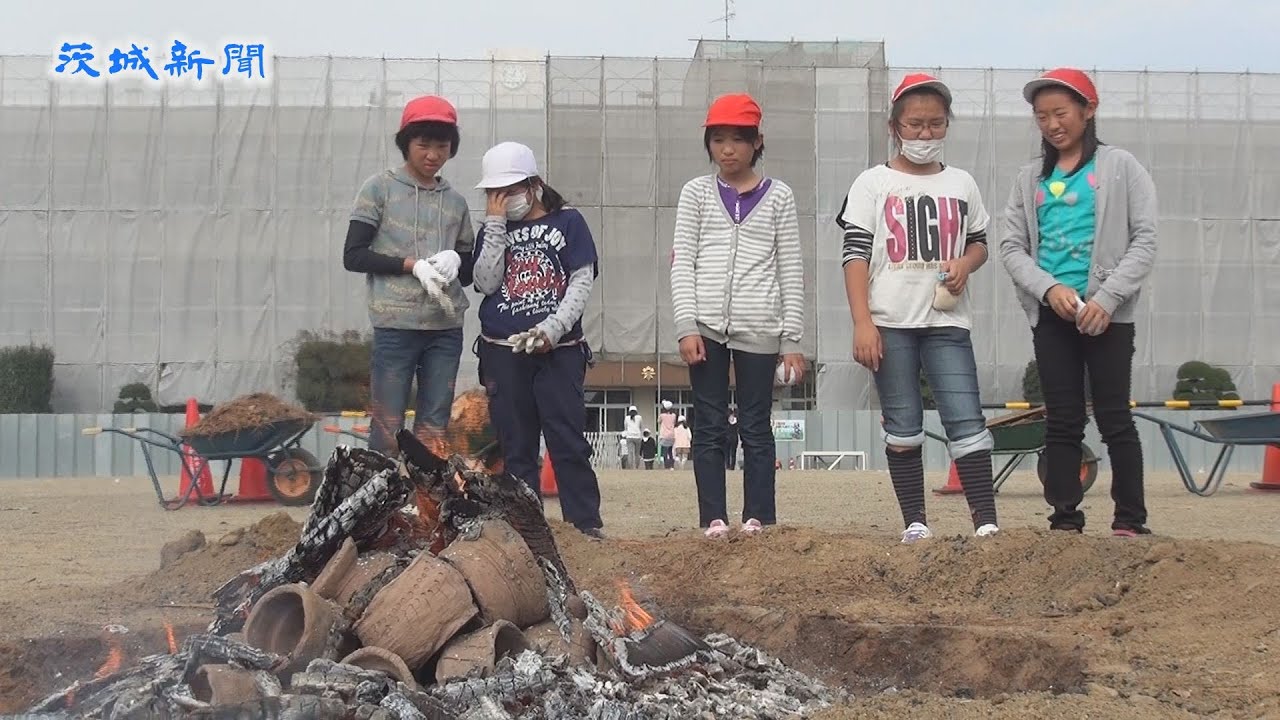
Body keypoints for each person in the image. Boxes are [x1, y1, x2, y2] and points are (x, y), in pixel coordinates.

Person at [836, 74, 999, 544]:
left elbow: (980, 242)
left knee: (966, 418)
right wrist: (862, 322)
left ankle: (985, 522)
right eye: (915, 125)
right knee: (903, 425)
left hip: (947, 320)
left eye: (935, 124)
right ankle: (915, 522)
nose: (925, 134)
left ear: (947, 124)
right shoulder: (873, 182)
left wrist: (966, 264)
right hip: (889, 323)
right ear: (895, 126)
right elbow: (854, 254)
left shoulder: (962, 182)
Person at [999, 68, 1157, 537]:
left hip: (1107, 316)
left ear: (1089, 110)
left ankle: (1130, 520)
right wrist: (1049, 290)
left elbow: (1145, 241)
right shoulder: (1030, 177)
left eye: (1061, 112)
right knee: (1062, 419)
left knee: (1114, 417)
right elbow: (1012, 248)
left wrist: (1106, 300)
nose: (1051, 124)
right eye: (1042, 115)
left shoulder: (1121, 167)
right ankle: (1064, 519)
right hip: (1053, 316)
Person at [671, 93, 806, 539]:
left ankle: (759, 517)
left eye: (738, 140)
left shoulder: (779, 196)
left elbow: (790, 266)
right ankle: (713, 517)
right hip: (706, 325)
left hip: (760, 327)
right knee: (707, 422)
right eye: (718, 139)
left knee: (755, 424)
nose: (727, 150)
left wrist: (791, 338)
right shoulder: (696, 193)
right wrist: (686, 325)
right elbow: (683, 261)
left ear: (757, 142)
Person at [471, 141, 605, 540]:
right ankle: (525, 530)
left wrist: (553, 328)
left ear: (534, 184)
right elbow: (485, 281)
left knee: (567, 440)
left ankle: (585, 525)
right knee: (517, 445)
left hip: (558, 351)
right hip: (502, 351)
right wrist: (495, 224)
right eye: (494, 194)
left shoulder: (568, 222)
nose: (503, 201)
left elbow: (582, 280)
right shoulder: (492, 229)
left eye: (510, 191)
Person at [342, 95, 474, 456]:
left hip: (444, 327)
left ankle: (425, 505)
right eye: (424, 145)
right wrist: (410, 265)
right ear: (406, 144)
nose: (433, 154)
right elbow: (353, 255)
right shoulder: (378, 189)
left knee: (434, 425)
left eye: (442, 146)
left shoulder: (456, 203)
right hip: (395, 324)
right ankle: (381, 503)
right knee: (388, 423)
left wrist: (457, 260)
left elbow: (468, 269)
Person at [657, 400, 678, 470]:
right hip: (672, 435)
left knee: (665, 452)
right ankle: (672, 466)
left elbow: (658, 422)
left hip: (664, 435)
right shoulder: (674, 415)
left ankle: (666, 466)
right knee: (670, 452)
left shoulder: (662, 416)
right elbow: (674, 423)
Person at [725, 406, 739, 470]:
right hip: (734, 438)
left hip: (728, 438)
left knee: (729, 453)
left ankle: (728, 465)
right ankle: (731, 466)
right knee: (732, 453)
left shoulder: (727, 422)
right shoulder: (736, 421)